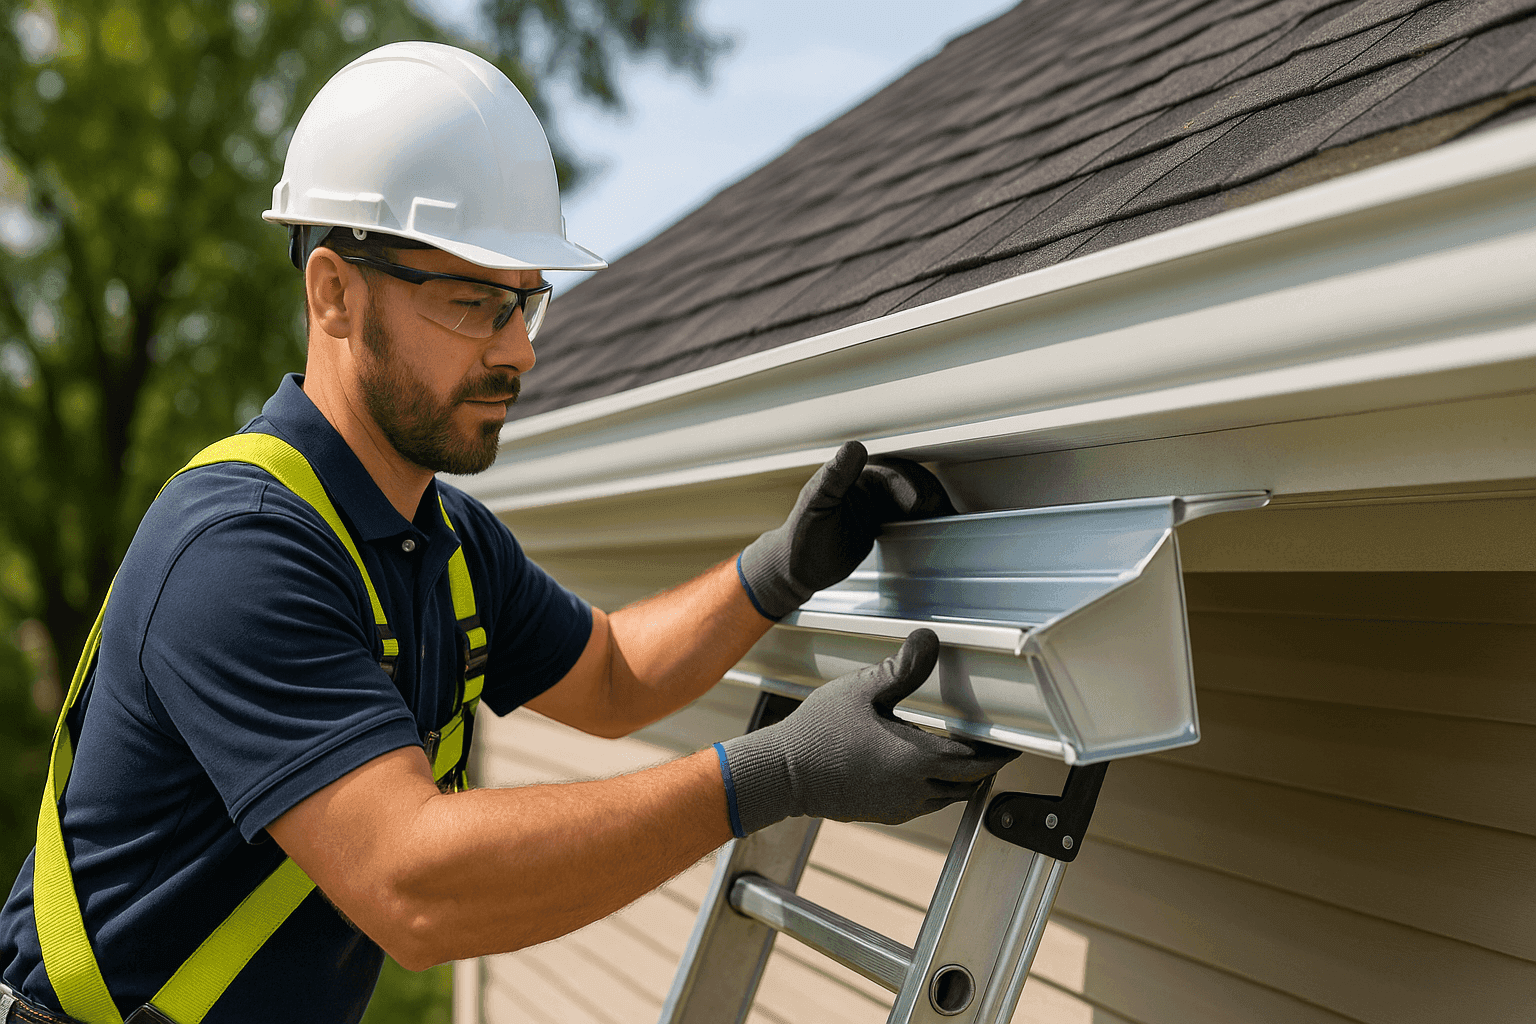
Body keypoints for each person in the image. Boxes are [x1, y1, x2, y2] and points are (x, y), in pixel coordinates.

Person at [0, 42, 1013, 1024]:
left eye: (529, 301)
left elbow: (614, 673)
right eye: (477, 302)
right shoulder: (237, 549)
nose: (521, 350)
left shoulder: (448, 545)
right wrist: (774, 775)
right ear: (334, 293)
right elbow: (416, 885)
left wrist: (775, 572)